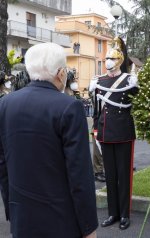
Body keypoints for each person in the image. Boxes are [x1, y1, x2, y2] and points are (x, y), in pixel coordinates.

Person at [0, 42, 98, 238]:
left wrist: (12, 209)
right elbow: (80, 173)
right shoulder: (69, 106)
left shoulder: (5, 104)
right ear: (61, 73)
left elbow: (3, 164)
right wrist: (89, 227)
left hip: (22, 217)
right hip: (61, 220)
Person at [92, 37, 138, 230]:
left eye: (111, 58)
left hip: (123, 132)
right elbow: (97, 108)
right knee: (110, 175)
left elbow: (137, 104)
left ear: (119, 60)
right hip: (105, 132)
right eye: (106, 59)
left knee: (124, 174)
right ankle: (113, 213)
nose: (108, 62)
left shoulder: (129, 80)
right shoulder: (99, 81)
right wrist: (95, 129)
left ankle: (125, 214)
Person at [89, 76, 106, 183]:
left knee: (103, 150)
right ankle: (97, 172)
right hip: (98, 125)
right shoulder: (95, 92)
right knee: (98, 151)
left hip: (106, 125)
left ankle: (101, 170)